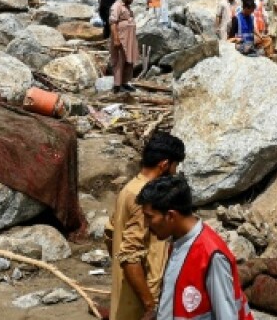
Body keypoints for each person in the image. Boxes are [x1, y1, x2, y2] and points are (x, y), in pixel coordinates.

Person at [138, 174, 254, 320]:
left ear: (170, 216)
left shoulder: (211, 255)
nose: (146, 224)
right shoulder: (178, 243)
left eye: (149, 217)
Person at [108, 132, 186, 320]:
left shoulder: (129, 188)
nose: (174, 172)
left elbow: (110, 234)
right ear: (165, 164)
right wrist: (149, 305)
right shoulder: (144, 198)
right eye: (175, 166)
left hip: (127, 295)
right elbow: (130, 255)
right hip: (141, 303)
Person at [110, 0, 141, 94]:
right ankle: (117, 85)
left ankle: (125, 82)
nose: (132, 0)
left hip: (130, 39)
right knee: (119, 61)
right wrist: (116, 38)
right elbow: (113, 23)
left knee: (129, 60)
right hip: (121, 38)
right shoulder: (117, 6)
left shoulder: (128, 8)